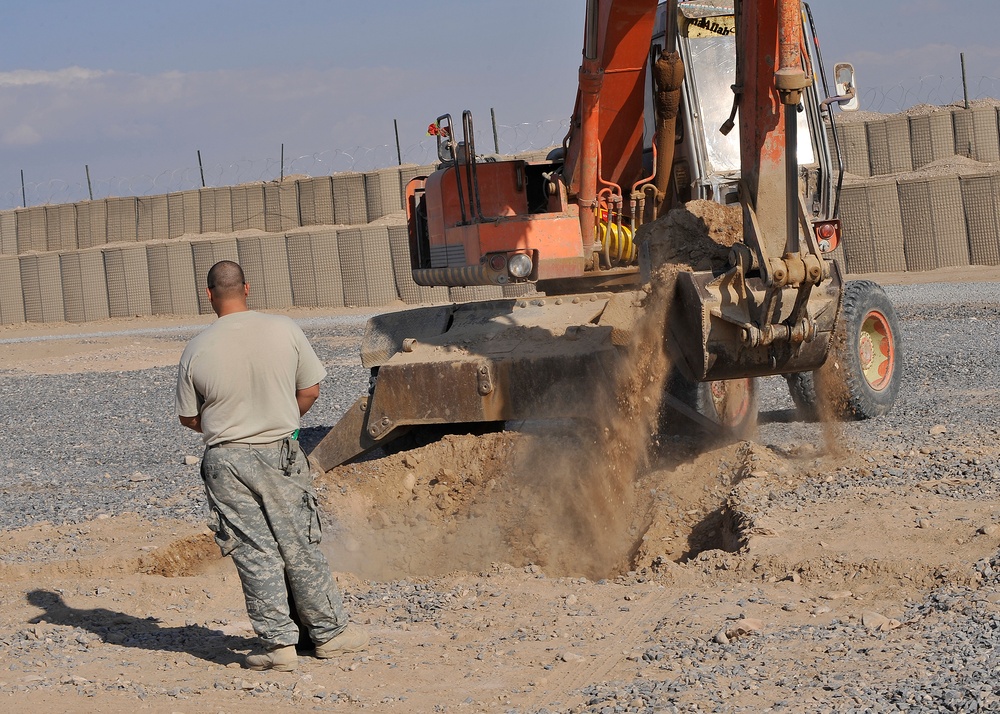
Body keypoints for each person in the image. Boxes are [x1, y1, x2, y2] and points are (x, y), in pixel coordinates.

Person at [175, 260, 367, 672]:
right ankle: (329, 634)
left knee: (254, 551)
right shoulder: (284, 329)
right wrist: (279, 415)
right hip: (279, 452)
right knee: (299, 542)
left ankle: (278, 644)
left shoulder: (196, 348)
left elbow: (189, 419)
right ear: (247, 288)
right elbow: (311, 390)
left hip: (226, 460)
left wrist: (230, 423)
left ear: (209, 294)